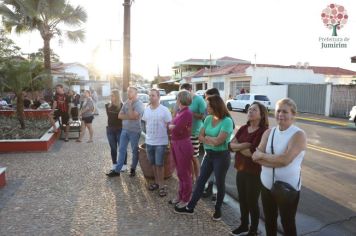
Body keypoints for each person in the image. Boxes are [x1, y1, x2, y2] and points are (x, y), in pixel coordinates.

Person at [252, 98, 307, 236]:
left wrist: (263, 156)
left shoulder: (298, 135)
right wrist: (274, 160)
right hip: (266, 185)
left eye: (285, 111)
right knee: (269, 221)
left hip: (287, 188)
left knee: (287, 222)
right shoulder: (268, 132)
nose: (280, 114)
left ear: (293, 114)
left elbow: (286, 160)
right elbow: (254, 157)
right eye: (278, 111)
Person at [174, 95, 233, 221]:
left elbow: (218, 141)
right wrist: (210, 140)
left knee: (220, 182)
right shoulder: (208, 119)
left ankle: (218, 210)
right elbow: (200, 136)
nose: (206, 108)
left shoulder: (227, 121)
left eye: (209, 106)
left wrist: (207, 139)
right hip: (209, 155)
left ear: (216, 106)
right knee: (200, 181)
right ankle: (190, 207)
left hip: (221, 157)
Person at [230, 102, 269, 236]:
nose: (250, 111)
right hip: (241, 169)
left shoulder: (263, 131)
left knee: (252, 202)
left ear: (261, 114)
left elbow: (253, 153)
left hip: (255, 172)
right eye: (250, 109)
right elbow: (231, 145)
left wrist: (240, 147)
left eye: (254, 110)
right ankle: (243, 225)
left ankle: (253, 230)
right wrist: (244, 145)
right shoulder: (243, 128)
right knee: (242, 199)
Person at [106, 86, 144, 177]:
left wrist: (130, 107)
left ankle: (133, 169)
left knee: (134, 151)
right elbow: (120, 116)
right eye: (128, 91)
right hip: (125, 130)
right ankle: (117, 171)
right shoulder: (126, 102)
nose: (128, 93)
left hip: (134, 131)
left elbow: (134, 116)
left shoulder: (139, 104)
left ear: (135, 93)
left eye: (131, 91)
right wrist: (130, 116)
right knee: (122, 150)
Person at [143, 89, 172, 197]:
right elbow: (146, 123)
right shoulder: (146, 110)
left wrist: (170, 141)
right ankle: (156, 182)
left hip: (161, 142)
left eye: (153, 95)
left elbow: (169, 126)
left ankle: (162, 186)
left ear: (158, 97)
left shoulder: (164, 110)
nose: (151, 97)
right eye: (150, 95)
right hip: (149, 141)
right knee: (153, 164)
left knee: (160, 165)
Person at [168, 90, 193, 207]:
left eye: (177, 98)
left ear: (181, 99)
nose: (176, 100)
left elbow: (177, 128)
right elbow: (173, 126)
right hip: (176, 143)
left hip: (182, 144)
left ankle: (186, 198)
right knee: (180, 172)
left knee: (184, 173)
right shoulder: (180, 111)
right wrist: (172, 126)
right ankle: (180, 195)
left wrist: (171, 126)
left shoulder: (187, 113)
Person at [180, 83, 206, 183]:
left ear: (190, 89)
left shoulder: (199, 100)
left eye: (185, 93)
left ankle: (198, 179)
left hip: (195, 133)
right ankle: (190, 178)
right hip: (184, 134)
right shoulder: (182, 100)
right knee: (187, 157)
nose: (183, 96)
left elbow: (204, 116)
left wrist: (189, 113)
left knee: (194, 157)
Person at [105, 89, 128, 175]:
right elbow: (110, 118)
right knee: (113, 148)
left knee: (122, 148)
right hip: (110, 129)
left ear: (117, 96)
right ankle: (114, 165)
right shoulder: (107, 105)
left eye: (113, 95)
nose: (111, 97)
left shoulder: (122, 106)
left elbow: (122, 118)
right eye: (110, 95)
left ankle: (124, 165)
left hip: (120, 129)